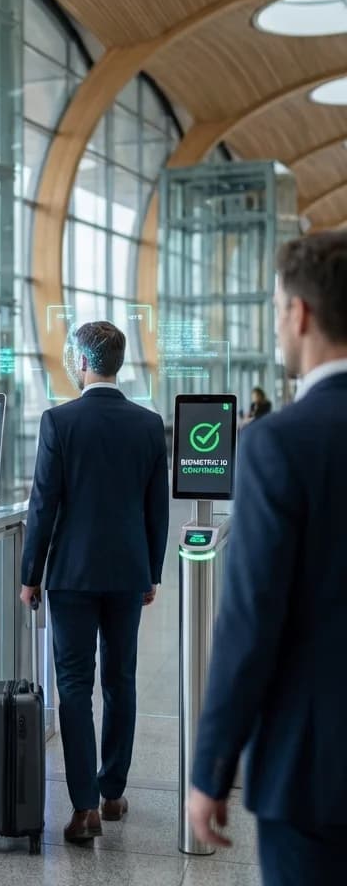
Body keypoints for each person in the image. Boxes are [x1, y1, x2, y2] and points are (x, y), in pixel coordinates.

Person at [187, 232, 347, 885]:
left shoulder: (279, 444)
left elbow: (251, 621)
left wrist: (211, 770)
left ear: (300, 314)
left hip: (312, 772)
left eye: (278, 308)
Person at [19, 321, 169, 844]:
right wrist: (152, 571)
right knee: (120, 680)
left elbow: (44, 504)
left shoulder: (59, 421)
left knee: (75, 685)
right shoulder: (149, 425)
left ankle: (83, 809)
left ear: (83, 362)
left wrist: (29, 575)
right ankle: (112, 794)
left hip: (72, 576)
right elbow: (157, 510)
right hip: (127, 572)